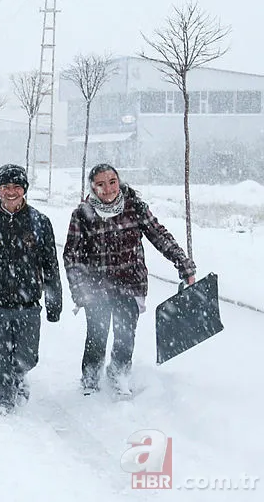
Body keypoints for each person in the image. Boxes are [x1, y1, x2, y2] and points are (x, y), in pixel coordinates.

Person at [63, 163, 196, 397]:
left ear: (119, 181)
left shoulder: (134, 207)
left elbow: (159, 235)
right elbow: (72, 256)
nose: (108, 189)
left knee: (125, 336)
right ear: (92, 187)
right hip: (97, 289)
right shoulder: (82, 214)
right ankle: (90, 382)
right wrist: (79, 290)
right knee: (96, 336)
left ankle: (119, 377)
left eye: (112, 182)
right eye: (101, 184)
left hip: (130, 285)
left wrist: (183, 263)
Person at [0, 164, 62, 415]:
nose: (11, 191)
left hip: (28, 304)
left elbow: (50, 265)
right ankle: (4, 396)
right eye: (5, 187)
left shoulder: (40, 222)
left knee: (28, 356)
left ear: (24, 189)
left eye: (16, 186)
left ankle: (19, 375)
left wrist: (54, 301)